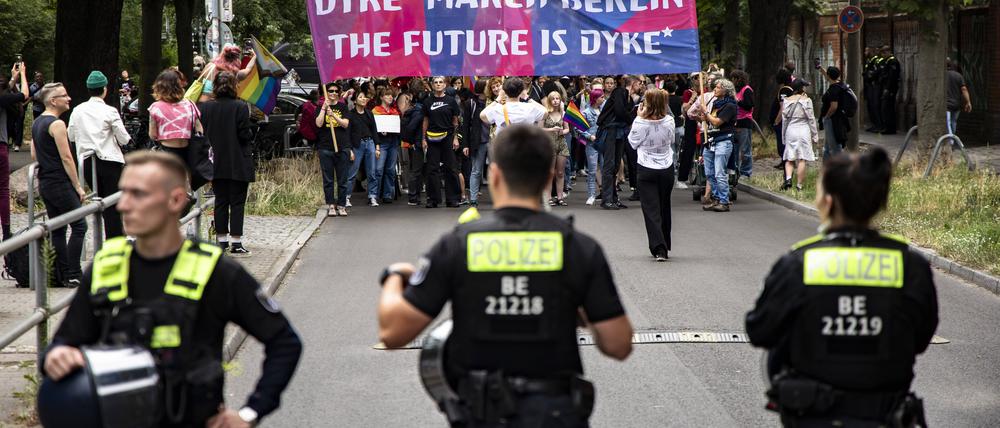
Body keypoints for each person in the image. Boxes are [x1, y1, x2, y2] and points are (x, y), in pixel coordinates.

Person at [376, 124, 633, 427]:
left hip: (481, 412)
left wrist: (394, 276)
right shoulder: (578, 247)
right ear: (549, 179)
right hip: (555, 413)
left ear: (495, 175)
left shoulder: (458, 244)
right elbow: (618, 345)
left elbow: (392, 334)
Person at [42, 151, 303, 427]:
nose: (123, 205)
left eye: (138, 194)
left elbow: (284, 342)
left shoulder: (216, 271)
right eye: (123, 193)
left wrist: (250, 413)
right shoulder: (106, 267)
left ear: (176, 200)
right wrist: (57, 356)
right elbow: (64, 341)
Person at [746, 147, 937, 428]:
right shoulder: (911, 266)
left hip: (812, 413)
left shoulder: (799, 263)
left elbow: (760, 329)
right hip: (886, 411)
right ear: (879, 201)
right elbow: (921, 337)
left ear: (828, 201)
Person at [31, 83, 87, 287]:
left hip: (45, 181)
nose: (69, 98)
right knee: (80, 225)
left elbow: (34, 154)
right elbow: (67, 157)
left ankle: (59, 274)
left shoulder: (37, 122)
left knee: (58, 229)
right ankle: (73, 273)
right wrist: (78, 186)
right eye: (64, 96)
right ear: (53, 101)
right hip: (60, 182)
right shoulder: (57, 124)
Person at [67, 70, 130, 239]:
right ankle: (114, 241)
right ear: (104, 89)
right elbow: (123, 139)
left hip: (87, 161)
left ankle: (105, 240)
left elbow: (71, 135)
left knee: (100, 199)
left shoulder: (77, 111)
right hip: (110, 161)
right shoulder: (110, 111)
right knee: (113, 203)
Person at [199, 71, 254, 255]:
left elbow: (202, 134)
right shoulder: (240, 106)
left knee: (220, 201)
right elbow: (244, 134)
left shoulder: (206, 108)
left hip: (216, 161)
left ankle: (221, 241)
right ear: (233, 86)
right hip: (238, 160)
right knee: (237, 202)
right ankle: (236, 242)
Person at [628, 89, 675, 261]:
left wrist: (639, 117)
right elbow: (671, 141)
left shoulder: (641, 123)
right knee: (664, 206)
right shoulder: (669, 120)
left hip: (646, 167)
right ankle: (665, 244)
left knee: (651, 209)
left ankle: (659, 247)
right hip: (666, 167)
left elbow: (632, 143)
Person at [148, 69, 208, 191]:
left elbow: (153, 135)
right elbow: (199, 129)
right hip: (188, 153)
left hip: (167, 152)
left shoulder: (156, 107)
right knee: (184, 188)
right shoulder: (189, 104)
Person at [597, 75, 640, 210]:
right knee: (609, 165)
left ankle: (614, 198)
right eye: (639, 83)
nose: (641, 86)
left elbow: (629, 113)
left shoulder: (630, 98)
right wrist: (632, 118)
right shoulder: (619, 92)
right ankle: (607, 199)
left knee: (615, 165)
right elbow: (620, 111)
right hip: (610, 131)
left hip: (620, 132)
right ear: (633, 83)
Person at [695, 78, 737, 213]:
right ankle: (717, 198)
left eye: (718, 87)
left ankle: (724, 201)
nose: (715, 89)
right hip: (711, 141)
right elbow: (710, 122)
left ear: (725, 90)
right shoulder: (716, 104)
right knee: (709, 173)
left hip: (723, 141)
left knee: (719, 173)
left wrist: (706, 113)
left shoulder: (730, 106)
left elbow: (717, 122)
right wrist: (702, 117)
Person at [422, 76, 463, 208]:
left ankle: (452, 199)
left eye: (441, 82)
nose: (438, 84)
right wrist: (423, 139)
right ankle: (433, 199)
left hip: (448, 137)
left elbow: (455, 120)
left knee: (450, 168)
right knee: (432, 169)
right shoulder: (427, 101)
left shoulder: (451, 101)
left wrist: (456, 138)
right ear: (432, 85)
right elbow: (425, 121)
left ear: (445, 85)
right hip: (432, 138)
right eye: (436, 82)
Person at [315, 81, 354, 217]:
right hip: (325, 147)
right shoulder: (321, 107)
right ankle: (331, 205)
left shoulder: (343, 107)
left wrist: (334, 116)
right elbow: (319, 124)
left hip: (342, 147)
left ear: (339, 93)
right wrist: (324, 109)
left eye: (335, 91)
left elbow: (345, 124)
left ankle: (342, 205)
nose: (332, 93)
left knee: (342, 179)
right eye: (330, 91)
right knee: (328, 179)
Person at [0, 62, 28, 239]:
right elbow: (24, 95)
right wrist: (23, 74)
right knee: (2, 190)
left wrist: (13, 78)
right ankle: (6, 232)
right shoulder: (3, 99)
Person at [776, 79, 817, 192]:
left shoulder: (787, 100)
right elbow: (811, 119)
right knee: (802, 158)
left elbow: (784, 120)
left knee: (789, 157)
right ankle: (799, 185)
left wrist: (783, 135)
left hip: (791, 130)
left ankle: (788, 179)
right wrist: (815, 135)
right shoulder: (807, 100)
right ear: (802, 88)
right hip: (804, 130)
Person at [347, 89, 382, 207]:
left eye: (364, 97)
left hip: (370, 142)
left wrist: (377, 147)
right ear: (355, 100)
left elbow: (374, 130)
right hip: (357, 145)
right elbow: (348, 133)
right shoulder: (350, 114)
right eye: (361, 97)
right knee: (352, 171)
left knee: (372, 172)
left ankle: (372, 196)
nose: (364, 99)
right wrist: (350, 149)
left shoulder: (369, 113)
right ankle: (346, 197)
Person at [459, 79, 488, 208]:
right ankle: (474, 198)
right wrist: (465, 144)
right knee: (476, 170)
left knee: (497, 169)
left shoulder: (494, 102)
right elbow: (465, 126)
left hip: (493, 139)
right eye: (488, 86)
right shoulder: (471, 103)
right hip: (478, 141)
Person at [542, 91, 571, 206]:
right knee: (550, 172)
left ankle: (560, 197)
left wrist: (562, 132)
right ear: (549, 101)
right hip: (548, 145)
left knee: (560, 172)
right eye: (553, 99)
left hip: (561, 144)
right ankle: (548, 197)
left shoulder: (563, 113)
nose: (555, 101)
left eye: (557, 98)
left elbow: (567, 129)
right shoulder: (545, 113)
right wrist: (551, 130)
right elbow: (539, 129)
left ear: (560, 100)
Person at [373, 88, 402, 204]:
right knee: (379, 169)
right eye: (387, 95)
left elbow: (398, 127)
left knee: (390, 169)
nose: (390, 97)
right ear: (381, 97)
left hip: (393, 141)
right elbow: (373, 127)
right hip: (382, 142)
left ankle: (387, 194)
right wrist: (380, 131)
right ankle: (375, 194)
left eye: (391, 95)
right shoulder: (376, 111)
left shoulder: (395, 111)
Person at [402, 80, 428, 206]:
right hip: (418, 142)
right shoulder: (419, 110)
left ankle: (415, 196)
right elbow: (412, 127)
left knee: (416, 169)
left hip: (415, 142)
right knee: (416, 170)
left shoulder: (414, 108)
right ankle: (413, 196)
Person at [580, 88, 605, 206]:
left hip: (604, 142)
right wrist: (589, 136)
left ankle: (606, 194)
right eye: (601, 97)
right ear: (595, 98)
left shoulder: (603, 110)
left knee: (606, 169)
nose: (603, 99)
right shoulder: (586, 112)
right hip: (592, 144)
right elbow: (578, 128)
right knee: (592, 170)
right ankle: (591, 195)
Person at [819, 66, 848, 159]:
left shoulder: (833, 90)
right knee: (827, 148)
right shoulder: (840, 84)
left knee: (835, 148)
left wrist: (826, 117)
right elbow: (828, 76)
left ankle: (842, 170)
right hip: (837, 118)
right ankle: (826, 169)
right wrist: (821, 68)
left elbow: (834, 106)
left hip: (832, 120)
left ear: (829, 76)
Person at [731, 70, 754, 178]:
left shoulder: (747, 90)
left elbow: (749, 105)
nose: (732, 81)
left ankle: (746, 171)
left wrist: (737, 101)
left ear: (739, 79)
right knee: (734, 149)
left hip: (745, 122)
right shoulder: (735, 90)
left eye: (734, 79)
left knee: (745, 149)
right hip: (735, 122)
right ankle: (735, 170)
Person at [770, 69, 794, 170]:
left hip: (782, 122)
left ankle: (786, 162)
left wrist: (777, 120)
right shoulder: (790, 89)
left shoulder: (784, 90)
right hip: (787, 121)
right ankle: (785, 161)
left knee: (782, 143)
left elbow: (783, 107)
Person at [877, 46, 900, 134]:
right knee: (885, 108)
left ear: (888, 52)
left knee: (887, 108)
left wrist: (887, 88)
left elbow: (891, 77)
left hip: (890, 88)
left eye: (883, 53)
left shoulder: (893, 61)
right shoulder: (888, 61)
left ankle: (890, 128)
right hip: (886, 87)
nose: (882, 55)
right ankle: (887, 127)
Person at [946, 60, 972, 135]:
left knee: (947, 123)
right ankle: (952, 139)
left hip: (946, 104)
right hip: (956, 104)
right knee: (953, 122)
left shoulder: (943, 76)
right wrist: (968, 102)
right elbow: (964, 89)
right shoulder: (959, 76)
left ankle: (950, 141)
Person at [863, 48, 883, 133]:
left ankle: (879, 125)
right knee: (870, 106)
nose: (865, 52)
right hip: (869, 86)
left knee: (875, 106)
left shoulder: (876, 60)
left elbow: (874, 73)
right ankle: (874, 124)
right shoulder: (869, 60)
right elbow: (866, 73)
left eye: (867, 51)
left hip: (874, 86)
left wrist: (868, 75)